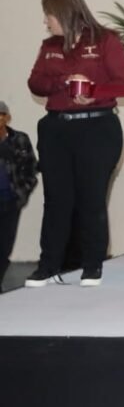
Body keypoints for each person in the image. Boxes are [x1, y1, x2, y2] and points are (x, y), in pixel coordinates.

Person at [25, 0, 124, 287]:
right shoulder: (49, 46)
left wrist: (93, 91)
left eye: (49, 14)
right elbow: (35, 83)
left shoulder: (105, 40)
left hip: (97, 128)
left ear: (64, 12)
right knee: (56, 200)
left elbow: (123, 82)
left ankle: (92, 265)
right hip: (57, 129)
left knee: (92, 198)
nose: (46, 21)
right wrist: (64, 81)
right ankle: (48, 265)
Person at [0, 101, 39, 290]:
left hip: (10, 201)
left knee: (4, 246)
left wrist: (21, 194)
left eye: (1, 115)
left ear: (7, 117)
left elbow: (31, 169)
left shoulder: (20, 139)